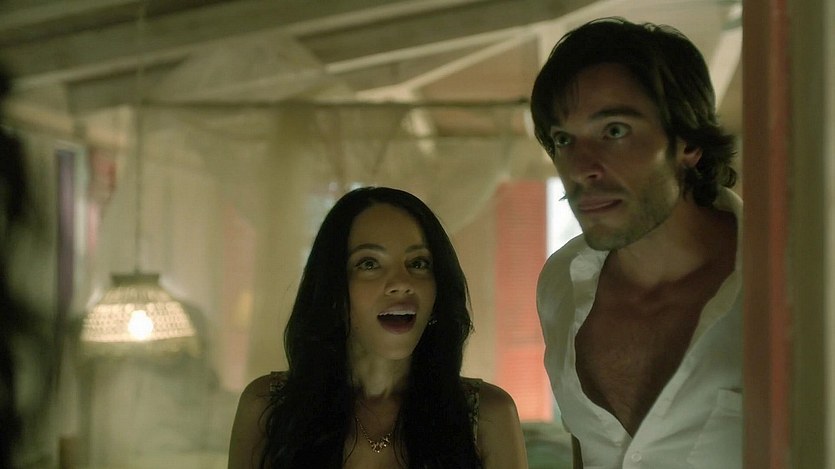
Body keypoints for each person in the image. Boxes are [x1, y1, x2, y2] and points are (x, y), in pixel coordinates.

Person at [530, 17, 741, 468]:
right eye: (564, 139)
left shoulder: (792, 281)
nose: (581, 167)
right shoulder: (560, 283)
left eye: (614, 131)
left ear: (687, 143)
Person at [228, 186, 528, 468]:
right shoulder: (267, 408)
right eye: (369, 263)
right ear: (333, 288)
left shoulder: (488, 416)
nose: (401, 283)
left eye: (418, 263)